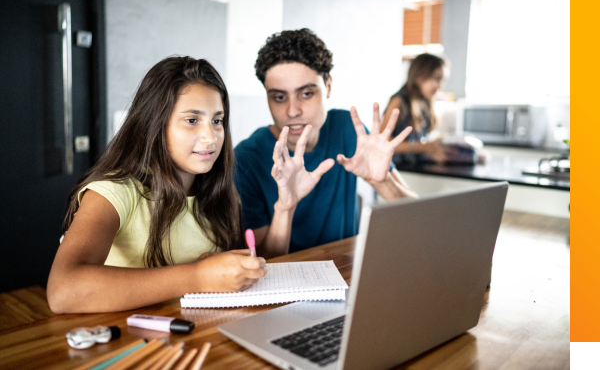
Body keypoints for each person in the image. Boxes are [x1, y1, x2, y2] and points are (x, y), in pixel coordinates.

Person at [47, 56, 267, 313]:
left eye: (217, 120)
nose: (211, 136)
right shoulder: (114, 191)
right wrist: (197, 276)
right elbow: (63, 291)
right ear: (155, 124)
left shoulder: (219, 193)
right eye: (192, 120)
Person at [234, 28, 417, 259]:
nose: (292, 111)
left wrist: (380, 182)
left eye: (307, 94)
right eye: (279, 97)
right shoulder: (246, 158)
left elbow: (420, 218)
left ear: (328, 86)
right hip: (287, 288)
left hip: (346, 275)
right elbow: (261, 262)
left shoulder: (347, 128)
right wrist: (286, 207)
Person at [381, 53, 456, 164]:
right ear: (420, 76)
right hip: (396, 170)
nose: (440, 86)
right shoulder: (398, 102)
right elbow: (383, 143)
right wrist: (424, 147)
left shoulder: (424, 101)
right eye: (436, 79)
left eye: (442, 80)